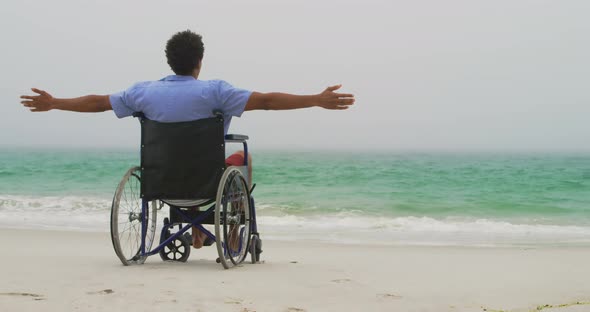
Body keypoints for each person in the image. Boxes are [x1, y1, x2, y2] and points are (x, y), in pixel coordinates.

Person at [19, 30, 355, 248]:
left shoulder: (143, 93)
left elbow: (97, 103)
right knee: (243, 159)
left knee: (182, 166)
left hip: (161, 180)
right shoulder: (216, 92)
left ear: (169, 61)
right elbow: (266, 100)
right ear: (199, 62)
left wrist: (54, 104)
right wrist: (315, 99)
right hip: (207, 181)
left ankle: (192, 225)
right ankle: (230, 229)